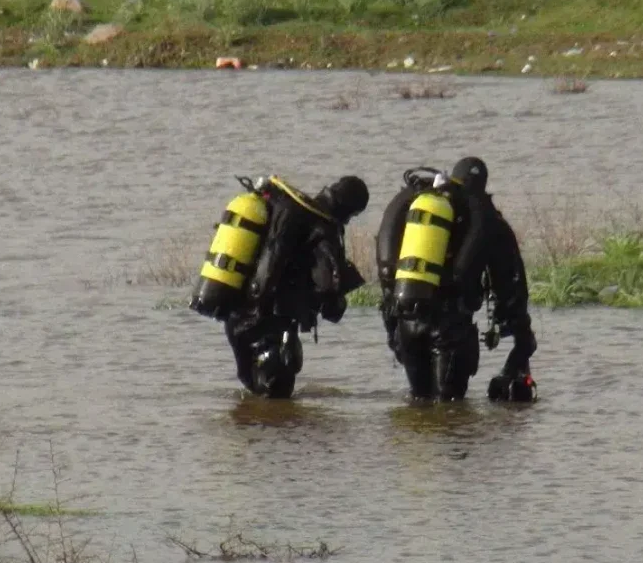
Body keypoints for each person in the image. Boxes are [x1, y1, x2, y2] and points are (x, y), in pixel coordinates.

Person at [190, 174, 370, 399]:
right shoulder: (323, 228)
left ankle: (252, 427)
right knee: (276, 396)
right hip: (270, 321)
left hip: (237, 313)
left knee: (255, 394)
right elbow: (327, 285)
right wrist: (336, 302)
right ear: (347, 209)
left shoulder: (282, 204)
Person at [375, 157, 537, 402]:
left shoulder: (420, 206)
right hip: (451, 326)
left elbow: (389, 269)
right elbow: (509, 284)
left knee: (418, 401)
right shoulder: (484, 218)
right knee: (450, 406)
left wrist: (392, 330)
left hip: (407, 320)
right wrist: (521, 334)